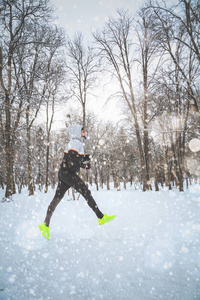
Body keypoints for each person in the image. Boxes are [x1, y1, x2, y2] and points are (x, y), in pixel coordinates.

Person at [38, 124, 116, 240]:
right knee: (86, 192)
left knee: (56, 199)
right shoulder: (75, 142)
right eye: (83, 131)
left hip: (64, 173)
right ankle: (100, 217)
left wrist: (84, 160)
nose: (84, 133)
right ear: (77, 132)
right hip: (68, 174)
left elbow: (73, 158)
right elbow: (72, 159)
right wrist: (83, 165)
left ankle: (45, 224)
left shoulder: (74, 143)